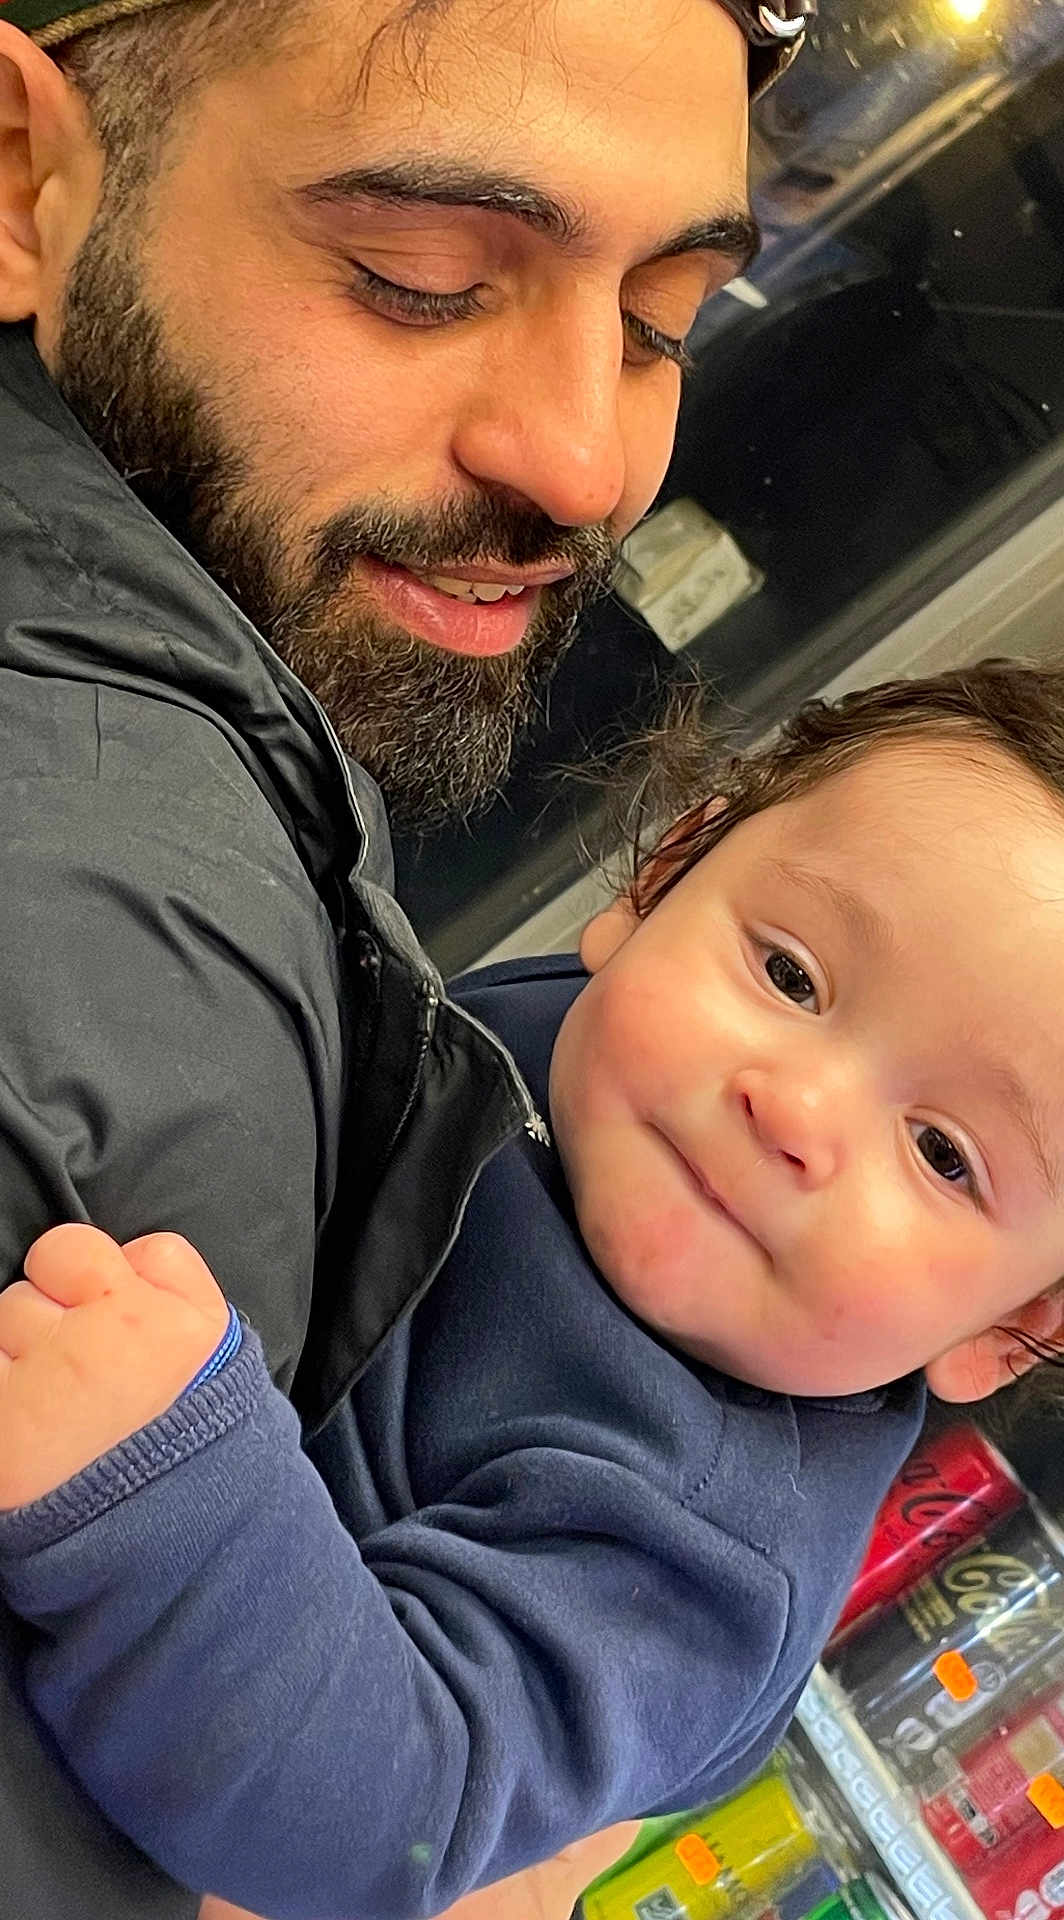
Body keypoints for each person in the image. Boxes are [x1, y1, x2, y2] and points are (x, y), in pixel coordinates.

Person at [0, 652, 1064, 1920]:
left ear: (1023, 1325)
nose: (796, 1109)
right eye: (790, 973)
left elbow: (379, 1809)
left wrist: (162, 1488)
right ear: (665, 875)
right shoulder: (575, 1050)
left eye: (945, 1154)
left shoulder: (704, 1549)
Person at [0, 0, 804, 1913]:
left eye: (662, 323)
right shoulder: (147, 964)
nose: (588, 459)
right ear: (24, 182)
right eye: (421, 277)